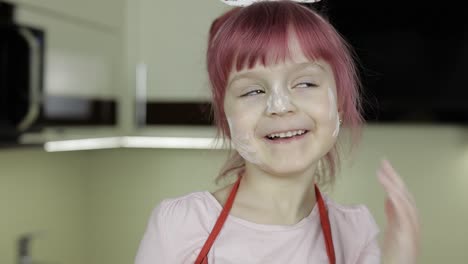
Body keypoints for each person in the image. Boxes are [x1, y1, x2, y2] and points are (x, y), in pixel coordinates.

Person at [135, 1, 420, 263]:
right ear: (226, 116)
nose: (280, 106)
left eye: (306, 83)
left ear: (340, 106)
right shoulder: (179, 226)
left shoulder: (355, 233)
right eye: (253, 90)